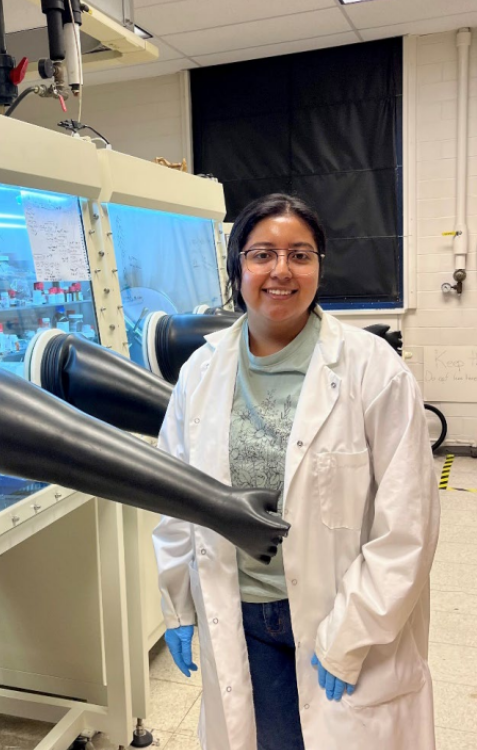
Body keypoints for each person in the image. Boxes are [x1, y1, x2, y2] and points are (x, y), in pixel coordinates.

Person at [152, 194, 440, 750]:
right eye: (262, 254)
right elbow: (176, 497)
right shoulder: (202, 371)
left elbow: (409, 523)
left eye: (300, 255)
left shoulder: (372, 368)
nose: (281, 270)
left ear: (318, 268)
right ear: (237, 267)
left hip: (343, 616)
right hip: (240, 616)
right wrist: (177, 603)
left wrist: (354, 632)